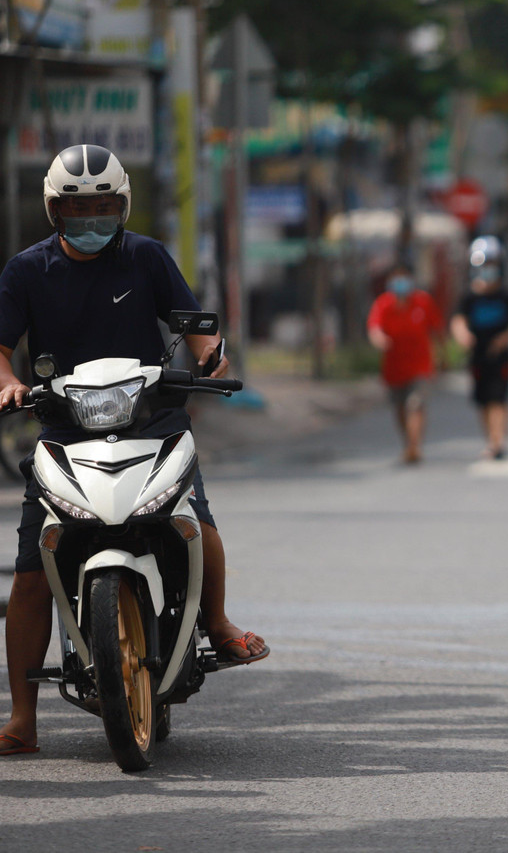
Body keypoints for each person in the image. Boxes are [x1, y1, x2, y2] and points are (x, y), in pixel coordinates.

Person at [0, 144, 267, 758]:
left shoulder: (146, 256)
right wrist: (9, 384)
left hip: (152, 418)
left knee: (194, 521)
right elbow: (0, 348)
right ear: (53, 210)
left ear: (121, 206)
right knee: (31, 573)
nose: (89, 218)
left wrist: (210, 356)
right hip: (64, 429)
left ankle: (218, 622)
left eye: (101, 207)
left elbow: (195, 327)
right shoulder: (25, 271)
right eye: (75, 208)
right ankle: (21, 718)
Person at [450, 236, 508, 460]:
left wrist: (504, 339)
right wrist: (463, 336)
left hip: (500, 356)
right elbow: (458, 320)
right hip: (478, 356)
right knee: (483, 401)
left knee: (499, 398)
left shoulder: (507, 295)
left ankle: (498, 441)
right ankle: (491, 440)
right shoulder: (469, 296)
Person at [367, 261, 444, 465]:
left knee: (416, 404)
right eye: (396, 277)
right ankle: (408, 443)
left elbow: (437, 330)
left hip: (420, 366)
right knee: (400, 407)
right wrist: (380, 340)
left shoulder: (423, 302)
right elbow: (374, 328)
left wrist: (443, 357)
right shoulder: (383, 304)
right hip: (394, 368)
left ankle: (414, 446)